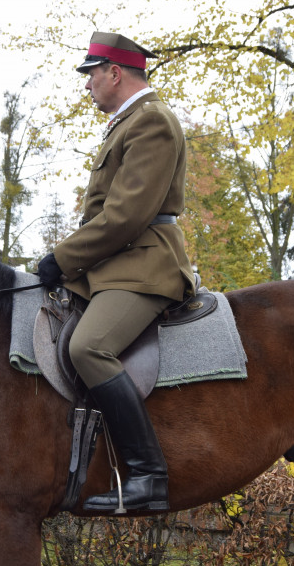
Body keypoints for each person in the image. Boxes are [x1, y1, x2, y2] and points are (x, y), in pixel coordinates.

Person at [37, 32, 196, 513]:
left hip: (145, 264)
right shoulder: (127, 124)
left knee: (90, 346)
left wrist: (62, 258)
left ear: (114, 72)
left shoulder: (152, 122)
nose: (86, 85)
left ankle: (148, 474)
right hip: (115, 264)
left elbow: (125, 217)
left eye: (91, 73)